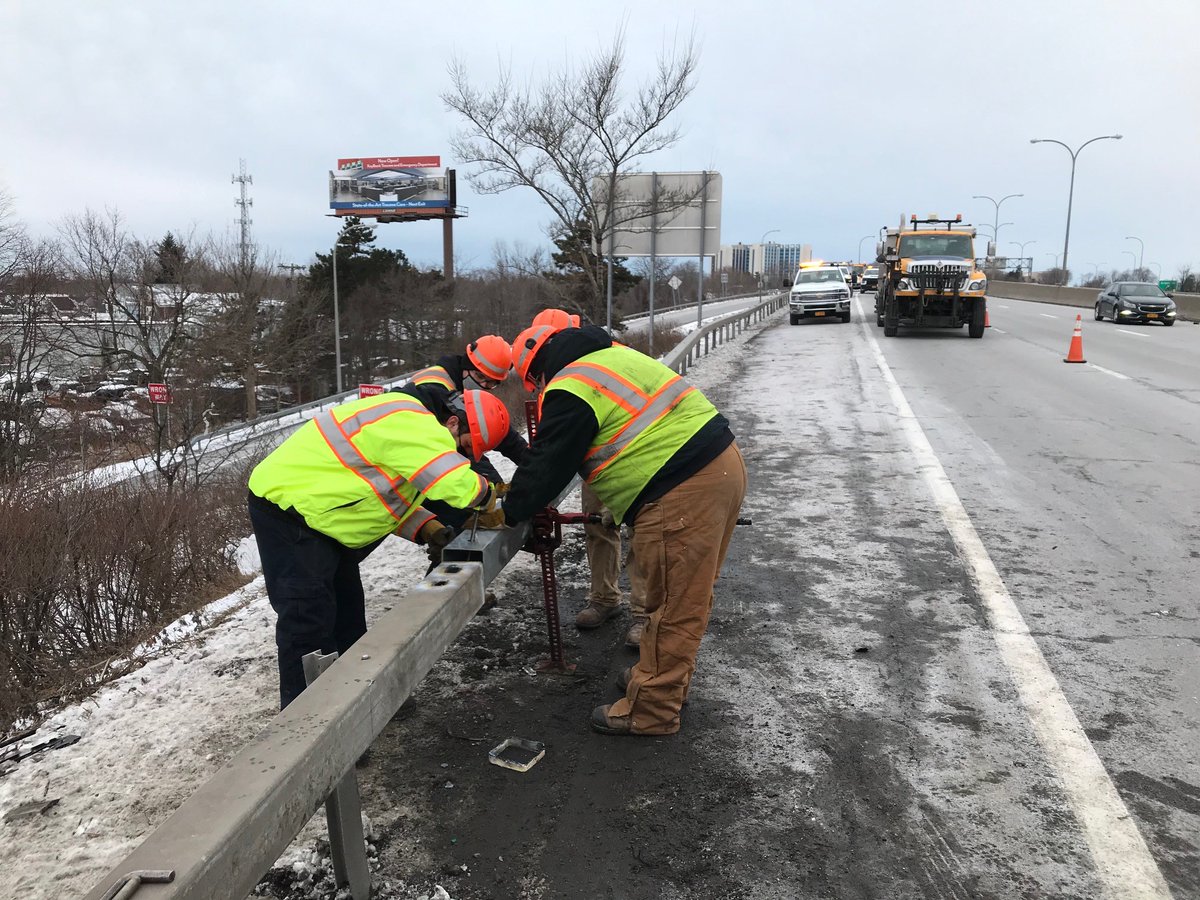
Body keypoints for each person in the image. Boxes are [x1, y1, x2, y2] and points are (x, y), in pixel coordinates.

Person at [503, 323, 747, 736]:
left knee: (672, 606)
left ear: (538, 372)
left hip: (681, 489)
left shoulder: (570, 385)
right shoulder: (617, 358)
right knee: (678, 598)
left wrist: (511, 510)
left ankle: (652, 711)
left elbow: (546, 464)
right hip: (716, 469)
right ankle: (656, 678)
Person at [247, 388, 509, 709]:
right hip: (290, 512)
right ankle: (307, 725)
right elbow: (450, 482)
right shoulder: (416, 424)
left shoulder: (409, 427)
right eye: (466, 447)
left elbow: (382, 494)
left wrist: (427, 526)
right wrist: (487, 497)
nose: (465, 457)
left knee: (349, 613)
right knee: (308, 620)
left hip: (325, 517)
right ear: (454, 423)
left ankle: (364, 701)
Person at [529, 309, 647, 644]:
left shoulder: (608, 354)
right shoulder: (558, 371)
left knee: (641, 529)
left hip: (632, 455)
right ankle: (605, 598)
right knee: (597, 525)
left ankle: (643, 612)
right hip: (594, 458)